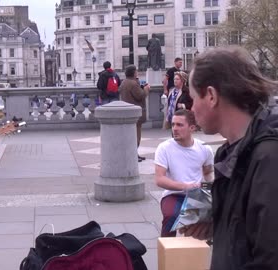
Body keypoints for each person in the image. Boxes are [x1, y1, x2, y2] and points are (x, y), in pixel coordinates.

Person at [182, 47, 278, 269]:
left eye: (193, 98)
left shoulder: (269, 158)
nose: (191, 107)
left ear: (212, 96)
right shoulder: (231, 151)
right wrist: (219, 223)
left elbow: (270, 257)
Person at [154, 109, 214, 237]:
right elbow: (160, 179)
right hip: (173, 194)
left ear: (192, 128)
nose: (175, 129)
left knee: (201, 224)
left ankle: (193, 252)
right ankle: (167, 252)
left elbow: (208, 173)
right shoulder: (164, 148)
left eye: (179, 125)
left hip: (197, 194)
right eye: (173, 124)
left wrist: (210, 191)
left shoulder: (205, 149)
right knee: (171, 216)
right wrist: (185, 186)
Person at [119, 65, 150, 162]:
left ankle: (134, 154)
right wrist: (146, 89)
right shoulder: (133, 83)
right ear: (133, 73)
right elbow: (140, 96)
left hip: (128, 112)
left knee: (131, 135)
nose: (137, 72)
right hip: (135, 113)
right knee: (136, 136)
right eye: (136, 71)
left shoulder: (124, 82)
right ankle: (133, 155)